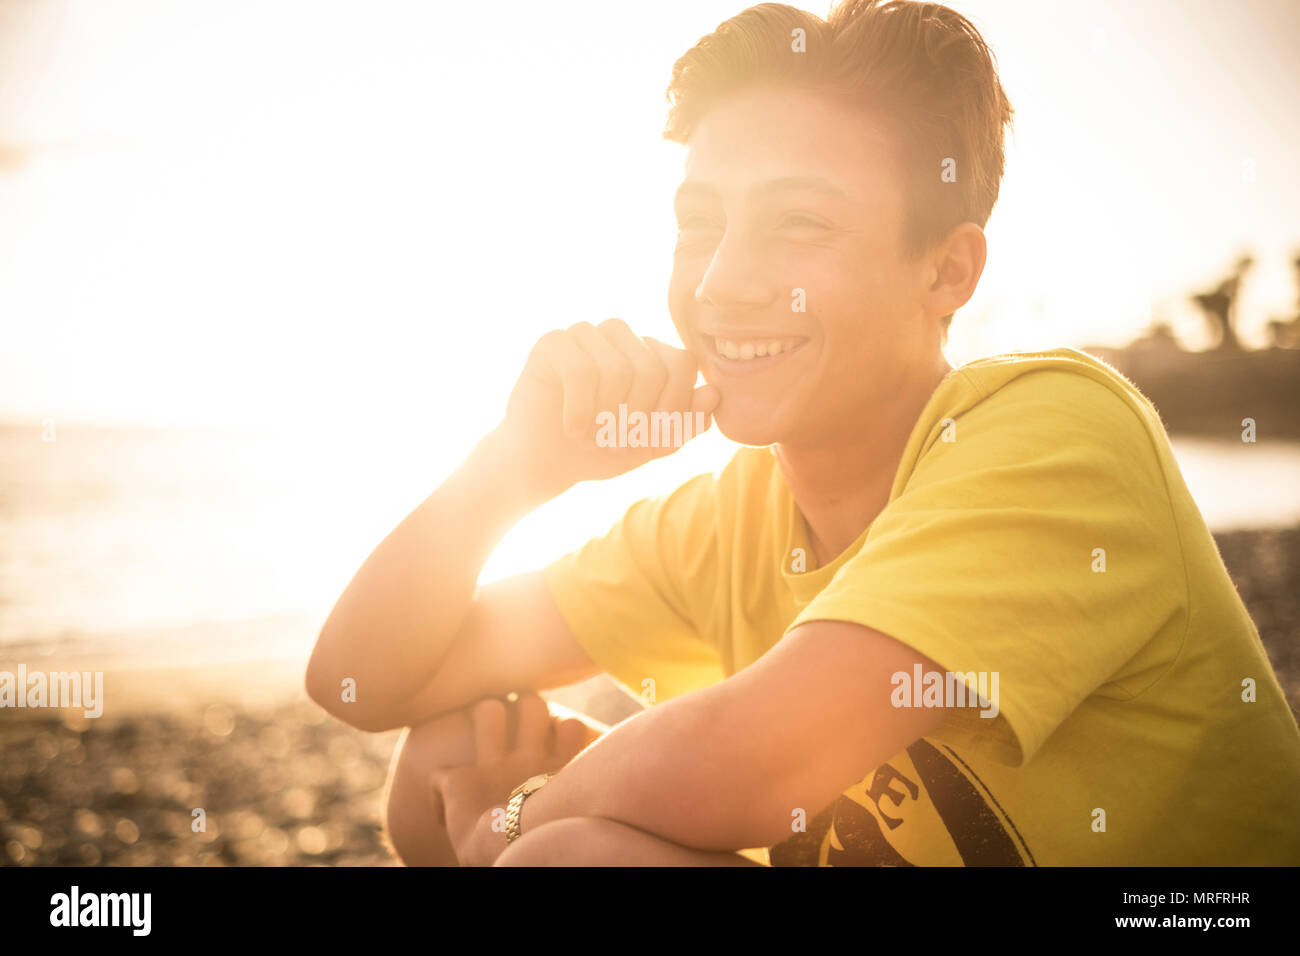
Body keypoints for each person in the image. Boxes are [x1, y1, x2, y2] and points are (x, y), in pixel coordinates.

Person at [306, 0, 1300, 866]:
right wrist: (513, 467)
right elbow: (361, 679)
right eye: (702, 220)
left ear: (947, 272)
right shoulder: (731, 516)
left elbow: (752, 762)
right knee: (441, 752)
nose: (720, 279)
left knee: (561, 853)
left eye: (800, 224)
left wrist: (505, 823)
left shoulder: (1057, 434)